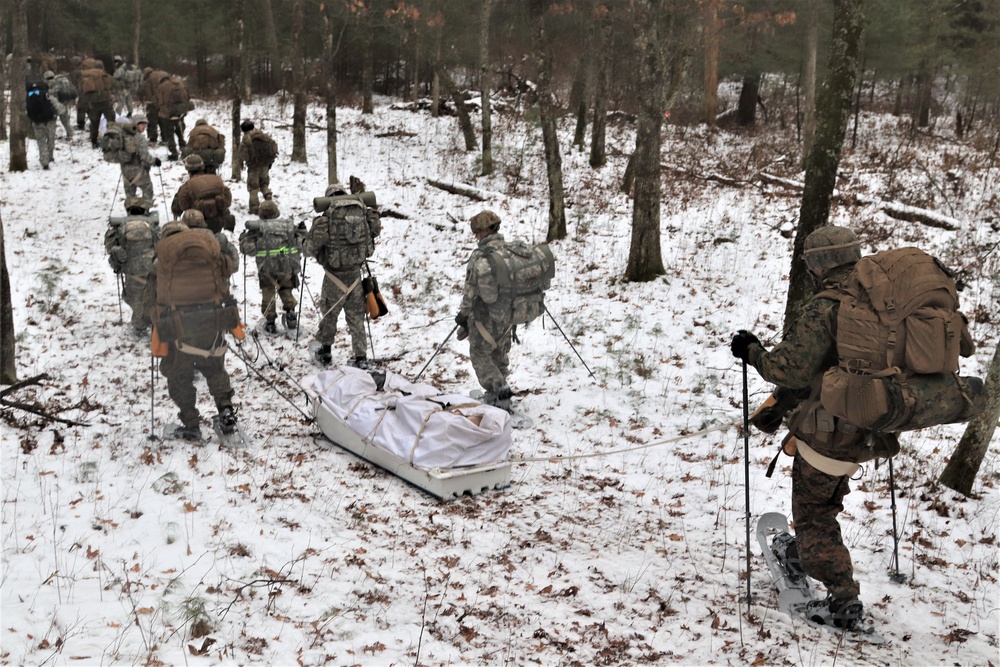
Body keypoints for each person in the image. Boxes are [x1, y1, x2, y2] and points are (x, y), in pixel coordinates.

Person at [730, 225, 984, 631]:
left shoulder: (827, 307)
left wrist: (752, 352)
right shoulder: (885, 301)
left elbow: (790, 369)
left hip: (828, 431)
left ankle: (843, 600)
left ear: (816, 264)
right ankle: (806, 551)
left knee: (814, 515)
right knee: (825, 502)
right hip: (874, 425)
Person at [144, 209, 240, 440]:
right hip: (213, 322)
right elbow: (226, 275)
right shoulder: (208, 255)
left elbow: (149, 302)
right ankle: (225, 408)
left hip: (178, 328)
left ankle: (191, 423)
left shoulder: (161, 265)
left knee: (178, 375)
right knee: (215, 368)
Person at [306, 183, 380, 367]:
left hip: (333, 278)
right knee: (356, 318)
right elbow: (373, 237)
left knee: (329, 315)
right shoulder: (361, 213)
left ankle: (325, 351)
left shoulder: (326, 219)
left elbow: (310, 249)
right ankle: (361, 357)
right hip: (355, 276)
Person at [455, 210, 514, 411]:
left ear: (487, 230)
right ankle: (499, 391)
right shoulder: (511, 250)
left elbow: (470, 289)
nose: (476, 236)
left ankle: (499, 390)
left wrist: (463, 314)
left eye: (478, 232)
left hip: (484, 316)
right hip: (509, 314)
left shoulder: (480, 256)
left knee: (480, 353)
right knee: (499, 349)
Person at [239, 200, 304, 334]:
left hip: (266, 269)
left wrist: (244, 238)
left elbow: (248, 250)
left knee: (268, 292)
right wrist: (302, 233)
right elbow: (299, 245)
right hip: (286, 266)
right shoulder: (287, 227)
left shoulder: (258, 229)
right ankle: (290, 311)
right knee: (286, 289)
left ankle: (270, 322)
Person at [105, 196, 159, 334]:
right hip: (153, 268)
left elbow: (111, 248)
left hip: (132, 271)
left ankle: (140, 327)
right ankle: (157, 324)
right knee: (155, 296)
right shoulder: (152, 225)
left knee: (135, 300)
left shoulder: (120, 227)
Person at [171, 154, 234, 234]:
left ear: (188, 169)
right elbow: (228, 200)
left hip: (198, 224)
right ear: (202, 166)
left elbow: (182, 206)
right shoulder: (216, 180)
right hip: (218, 223)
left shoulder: (187, 186)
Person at [120, 114, 161, 207]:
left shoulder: (123, 135)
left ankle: (130, 211)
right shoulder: (140, 138)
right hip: (138, 171)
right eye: (142, 124)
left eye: (145, 124)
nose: (144, 126)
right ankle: (145, 210)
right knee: (147, 190)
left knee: (130, 194)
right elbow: (144, 156)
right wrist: (155, 161)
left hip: (125, 171)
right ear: (135, 124)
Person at [237, 120, 277, 215]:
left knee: (253, 187)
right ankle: (267, 194)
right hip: (265, 165)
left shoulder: (246, 139)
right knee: (264, 183)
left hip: (254, 167)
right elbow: (273, 147)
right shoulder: (263, 136)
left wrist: (243, 162)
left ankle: (254, 208)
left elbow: (243, 154)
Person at [76, 61, 116, 149]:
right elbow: (110, 84)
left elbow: (80, 88)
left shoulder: (86, 75)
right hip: (104, 100)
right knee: (111, 120)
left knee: (94, 122)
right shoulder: (102, 74)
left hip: (92, 101)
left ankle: (94, 141)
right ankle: (112, 139)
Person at [25, 78, 61, 170]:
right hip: (50, 121)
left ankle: (44, 162)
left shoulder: (28, 96)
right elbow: (59, 107)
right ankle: (50, 157)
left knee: (41, 142)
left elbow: (26, 109)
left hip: (36, 122)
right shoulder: (47, 95)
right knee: (50, 139)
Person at [155, 72, 191, 160]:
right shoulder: (179, 82)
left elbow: (160, 101)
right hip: (181, 111)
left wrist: (161, 110)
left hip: (169, 112)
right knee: (180, 130)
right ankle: (184, 148)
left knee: (169, 133)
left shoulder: (162, 86)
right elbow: (188, 96)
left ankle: (174, 152)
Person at [43, 70, 77, 139]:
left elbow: (52, 94)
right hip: (64, 102)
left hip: (56, 104)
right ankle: (70, 134)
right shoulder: (61, 81)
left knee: (52, 121)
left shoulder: (50, 83)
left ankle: (51, 135)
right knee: (65, 120)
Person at [140, 67, 168, 143]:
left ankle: (153, 139)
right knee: (163, 120)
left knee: (152, 120)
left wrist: (142, 99)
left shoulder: (149, 79)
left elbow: (143, 90)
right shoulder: (162, 74)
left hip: (153, 103)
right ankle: (165, 139)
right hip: (165, 103)